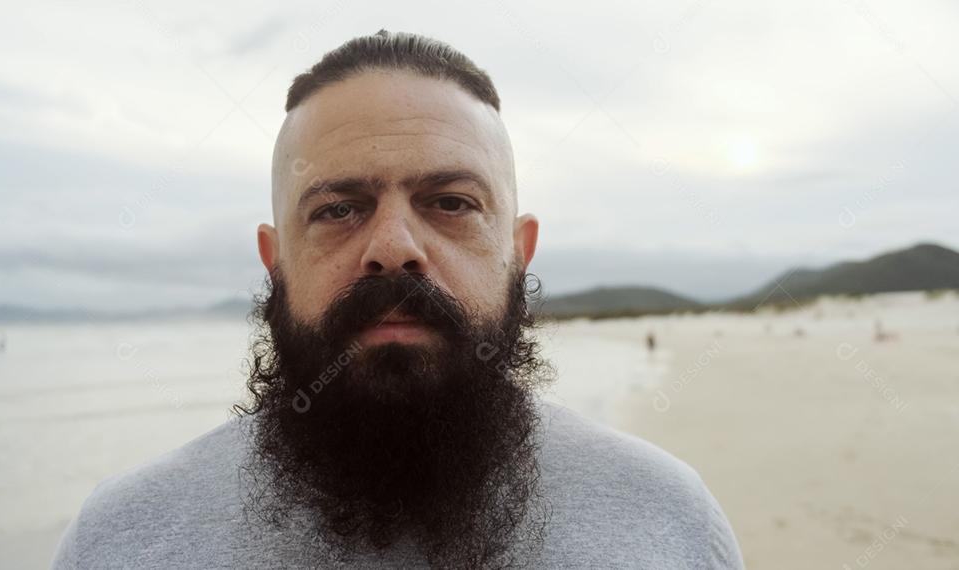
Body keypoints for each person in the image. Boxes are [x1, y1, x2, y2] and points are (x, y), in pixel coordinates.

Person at [51, 30, 743, 569]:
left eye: (449, 202)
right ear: (275, 262)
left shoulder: (669, 518)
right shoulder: (117, 539)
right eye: (337, 209)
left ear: (518, 251)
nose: (394, 247)